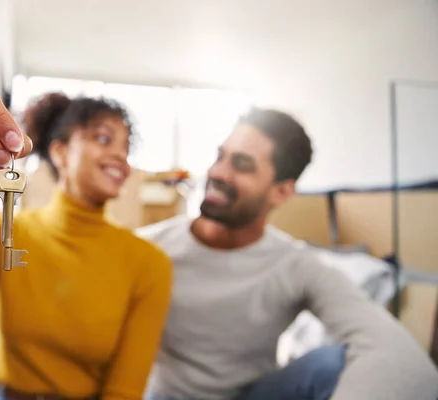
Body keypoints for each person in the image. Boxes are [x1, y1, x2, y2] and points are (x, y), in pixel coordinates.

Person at [0, 72, 173, 400]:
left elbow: (124, 391)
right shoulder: (3, 231)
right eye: (104, 139)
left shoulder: (150, 264)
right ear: (60, 152)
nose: (121, 158)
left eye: (126, 148)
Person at [137, 108, 438, 400]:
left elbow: (399, 354)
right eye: (220, 156)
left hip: (254, 395)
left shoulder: (295, 265)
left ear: (281, 192)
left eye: (241, 164)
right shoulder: (151, 246)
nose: (217, 172)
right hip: (169, 395)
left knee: (331, 364)